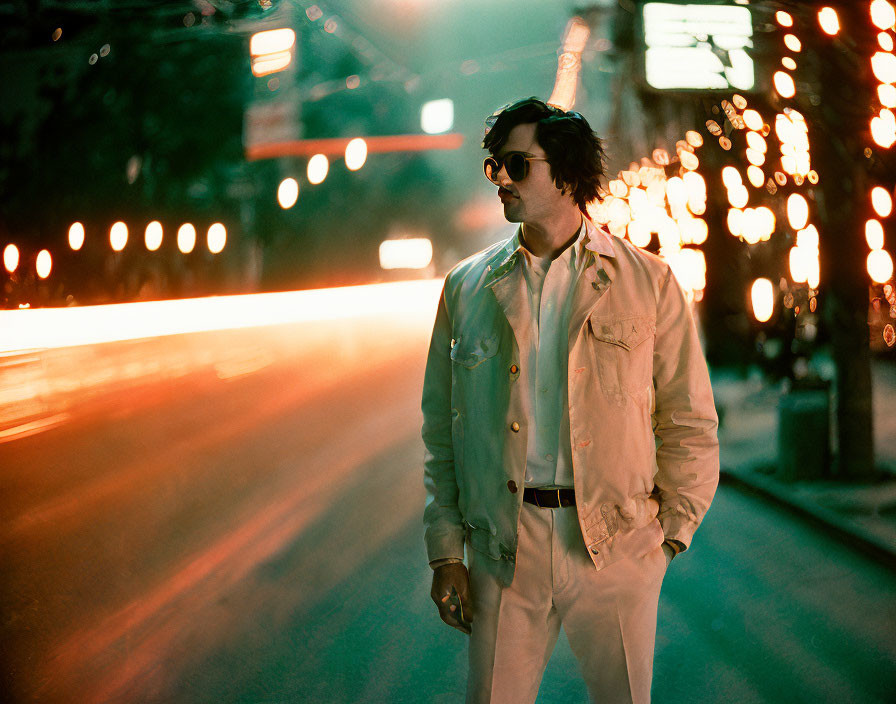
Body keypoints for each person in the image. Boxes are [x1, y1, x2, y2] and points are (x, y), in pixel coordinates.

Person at [421, 97, 719, 704]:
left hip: (614, 543)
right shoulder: (466, 288)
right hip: (505, 547)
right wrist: (446, 552)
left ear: (566, 173)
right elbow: (442, 434)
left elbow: (688, 419)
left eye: (515, 164)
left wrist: (666, 541)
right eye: (493, 166)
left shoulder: (648, 282)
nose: (500, 178)